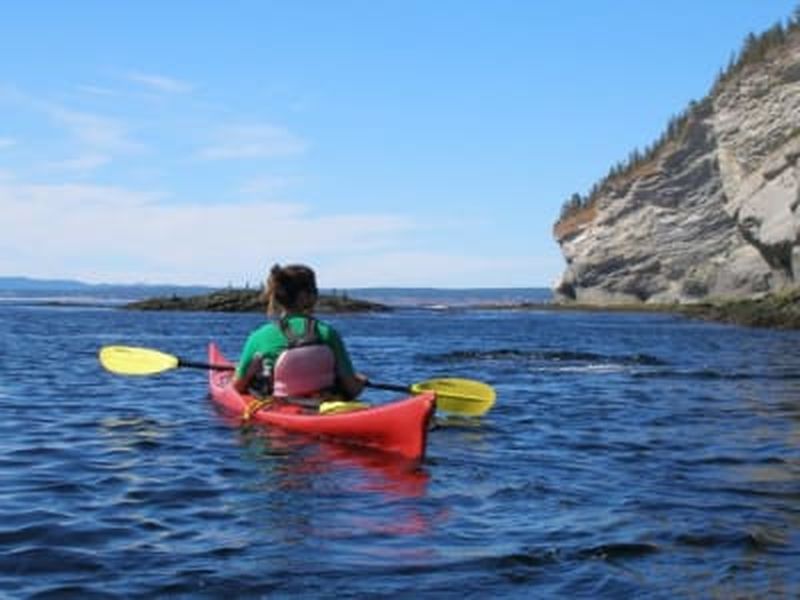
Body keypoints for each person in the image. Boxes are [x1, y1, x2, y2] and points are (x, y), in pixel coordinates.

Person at [234, 264, 368, 403]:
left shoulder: (258, 337)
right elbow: (352, 389)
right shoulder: (328, 333)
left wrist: (248, 373)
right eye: (315, 290)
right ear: (305, 296)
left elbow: (236, 387)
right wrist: (361, 381)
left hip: (276, 406)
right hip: (321, 405)